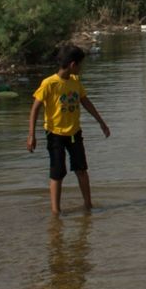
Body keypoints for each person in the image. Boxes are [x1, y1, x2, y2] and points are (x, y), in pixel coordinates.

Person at [26, 43, 110, 215]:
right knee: (57, 172)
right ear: (73, 65)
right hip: (55, 134)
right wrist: (31, 135)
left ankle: (88, 205)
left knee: (81, 169)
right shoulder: (49, 84)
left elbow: (85, 101)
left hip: (74, 133)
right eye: (80, 65)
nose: (81, 68)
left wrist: (101, 121)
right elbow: (35, 108)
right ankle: (56, 211)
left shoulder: (75, 82)